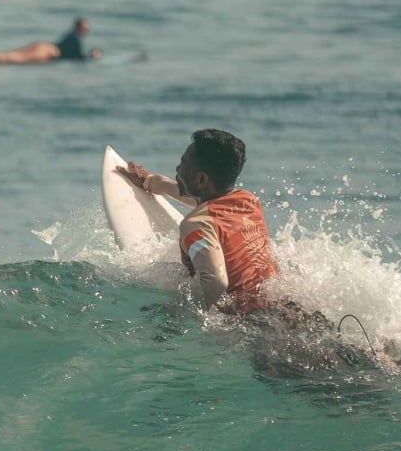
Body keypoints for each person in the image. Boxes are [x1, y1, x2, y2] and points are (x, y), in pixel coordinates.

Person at [116, 129, 279, 314]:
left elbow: (215, 282)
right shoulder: (249, 201)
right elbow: (199, 198)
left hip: (248, 321)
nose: (177, 169)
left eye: (183, 164)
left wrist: (177, 313)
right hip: (278, 303)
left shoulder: (196, 224)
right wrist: (149, 181)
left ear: (202, 179)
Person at [0, 17, 101, 67]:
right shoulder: (74, 39)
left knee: (12, 55)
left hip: (44, 46)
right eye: (85, 29)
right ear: (78, 28)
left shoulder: (70, 36)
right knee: (14, 58)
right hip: (46, 52)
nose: (86, 32)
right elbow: (78, 58)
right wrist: (92, 55)